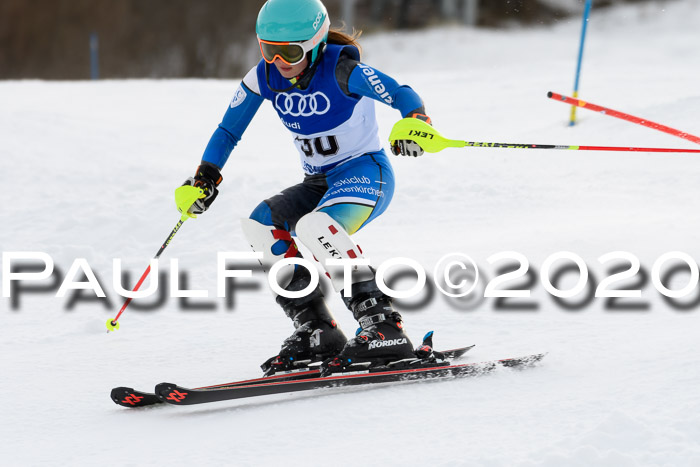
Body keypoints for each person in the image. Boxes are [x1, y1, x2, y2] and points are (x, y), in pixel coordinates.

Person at [175, 0, 437, 374]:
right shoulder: (264, 77)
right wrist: (206, 175)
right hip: (318, 182)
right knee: (262, 224)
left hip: (366, 174)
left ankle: (382, 326)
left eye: (291, 51)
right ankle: (317, 328)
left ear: (314, 45)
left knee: (314, 227)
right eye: (269, 49)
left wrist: (416, 121)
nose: (279, 60)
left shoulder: (343, 70)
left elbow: (400, 92)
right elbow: (228, 130)